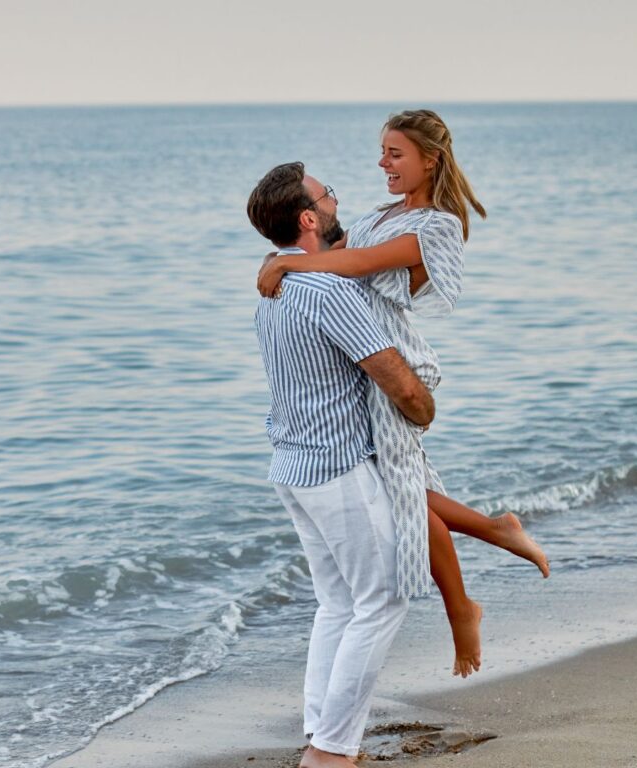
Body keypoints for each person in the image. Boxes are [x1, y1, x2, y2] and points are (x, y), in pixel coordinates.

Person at [257, 110, 549, 679]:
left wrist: (287, 261)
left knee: (402, 489)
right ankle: (489, 544)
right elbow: (334, 256)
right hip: (367, 361)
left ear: (429, 160)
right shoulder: (383, 213)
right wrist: (281, 257)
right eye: (382, 152)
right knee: (403, 488)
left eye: (395, 153)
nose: (382, 162)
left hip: (396, 360)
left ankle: (465, 600)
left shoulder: (436, 225)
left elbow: (359, 263)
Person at [248, 161, 435, 768]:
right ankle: (331, 751)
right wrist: (423, 407)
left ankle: (319, 730)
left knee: (338, 603)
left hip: (293, 469)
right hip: (337, 469)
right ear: (309, 217)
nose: (338, 203)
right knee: (381, 601)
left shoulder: (276, 290)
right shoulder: (328, 291)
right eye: (328, 196)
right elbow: (393, 379)